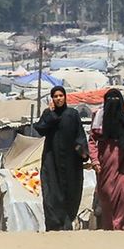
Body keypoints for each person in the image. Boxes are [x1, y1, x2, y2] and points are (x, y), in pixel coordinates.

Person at [34, 86, 85, 231]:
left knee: (71, 192)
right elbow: (40, 129)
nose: (58, 98)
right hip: (51, 160)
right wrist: (51, 114)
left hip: (71, 162)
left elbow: (80, 135)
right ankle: (53, 225)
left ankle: (67, 224)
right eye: (55, 96)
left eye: (61, 95)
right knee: (51, 193)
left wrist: (82, 151)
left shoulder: (72, 114)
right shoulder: (48, 114)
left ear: (65, 97)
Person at [92, 88, 124, 231]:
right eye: (110, 100)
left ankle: (121, 227)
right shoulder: (98, 116)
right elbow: (92, 140)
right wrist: (95, 161)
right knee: (106, 195)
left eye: (116, 100)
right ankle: (109, 228)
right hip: (105, 162)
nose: (113, 104)